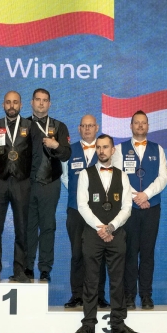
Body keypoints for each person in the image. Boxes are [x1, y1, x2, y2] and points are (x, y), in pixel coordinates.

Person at [72, 134, 139, 333]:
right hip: (92, 235)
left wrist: (111, 227)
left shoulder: (123, 176)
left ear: (113, 150)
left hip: (116, 234)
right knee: (91, 280)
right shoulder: (85, 174)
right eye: (99, 147)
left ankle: (118, 323)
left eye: (105, 147)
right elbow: (82, 205)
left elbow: (127, 207)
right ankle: (88, 324)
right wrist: (100, 228)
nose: (101, 151)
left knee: (118, 281)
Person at [112, 110, 167, 309]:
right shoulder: (120, 149)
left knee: (147, 253)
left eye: (143, 123)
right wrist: (137, 196)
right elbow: (118, 176)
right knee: (129, 253)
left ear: (148, 126)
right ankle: (129, 296)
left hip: (151, 208)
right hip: (129, 209)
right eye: (136, 122)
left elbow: (164, 177)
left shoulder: (158, 149)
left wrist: (147, 195)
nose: (140, 126)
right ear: (131, 126)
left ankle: (146, 296)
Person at [61, 114, 109, 308]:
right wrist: (80, 196)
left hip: (100, 213)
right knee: (77, 254)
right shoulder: (69, 151)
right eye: (84, 126)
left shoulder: (105, 151)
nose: (87, 129)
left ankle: (99, 296)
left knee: (100, 254)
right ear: (79, 129)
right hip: (76, 210)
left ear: (97, 128)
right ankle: (77, 295)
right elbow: (65, 177)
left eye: (91, 125)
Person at [0, 91, 33, 283]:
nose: (11, 106)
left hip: (22, 182)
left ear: (21, 105)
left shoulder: (30, 126)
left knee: (22, 228)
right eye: (8, 102)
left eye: (15, 102)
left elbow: (35, 154)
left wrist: (26, 175)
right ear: (3, 105)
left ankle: (19, 270)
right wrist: (0, 169)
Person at [26, 88, 71, 282]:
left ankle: (45, 268)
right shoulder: (22, 125)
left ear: (50, 104)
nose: (41, 103)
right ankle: (27, 267)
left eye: (45, 100)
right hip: (27, 184)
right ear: (32, 102)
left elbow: (66, 154)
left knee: (47, 226)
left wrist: (56, 146)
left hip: (50, 183)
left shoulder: (59, 126)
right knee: (28, 226)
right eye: (38, 99)